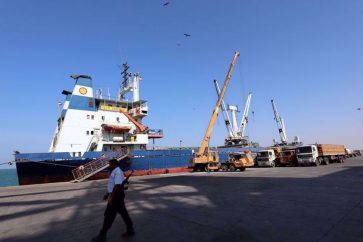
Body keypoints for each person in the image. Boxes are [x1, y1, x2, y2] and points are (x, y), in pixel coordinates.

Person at [92, 159, 134, 242]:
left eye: (110, 164)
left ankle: (102, 236)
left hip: (116, 197)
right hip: (117, 196)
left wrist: (111, 197)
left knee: (109, 216)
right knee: (123, 213)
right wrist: (107, 194)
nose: (109, 165)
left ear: (114, 164)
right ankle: (130, 230)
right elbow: (113, 185)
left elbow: (117, 186)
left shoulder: (117, 172)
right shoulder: (115, 171)